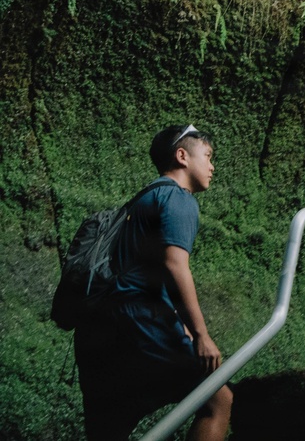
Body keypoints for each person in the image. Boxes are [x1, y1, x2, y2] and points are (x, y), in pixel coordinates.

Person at [74, 124, 232, 441]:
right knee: (218, 398)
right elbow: (175, 266)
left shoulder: (142, 200)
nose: (212, 166)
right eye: (208, 156)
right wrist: (200, 334)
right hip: (137, 322)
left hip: (95, 330)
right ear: (182, 156)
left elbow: (141, 272)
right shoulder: (178, 198)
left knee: (109, 431)